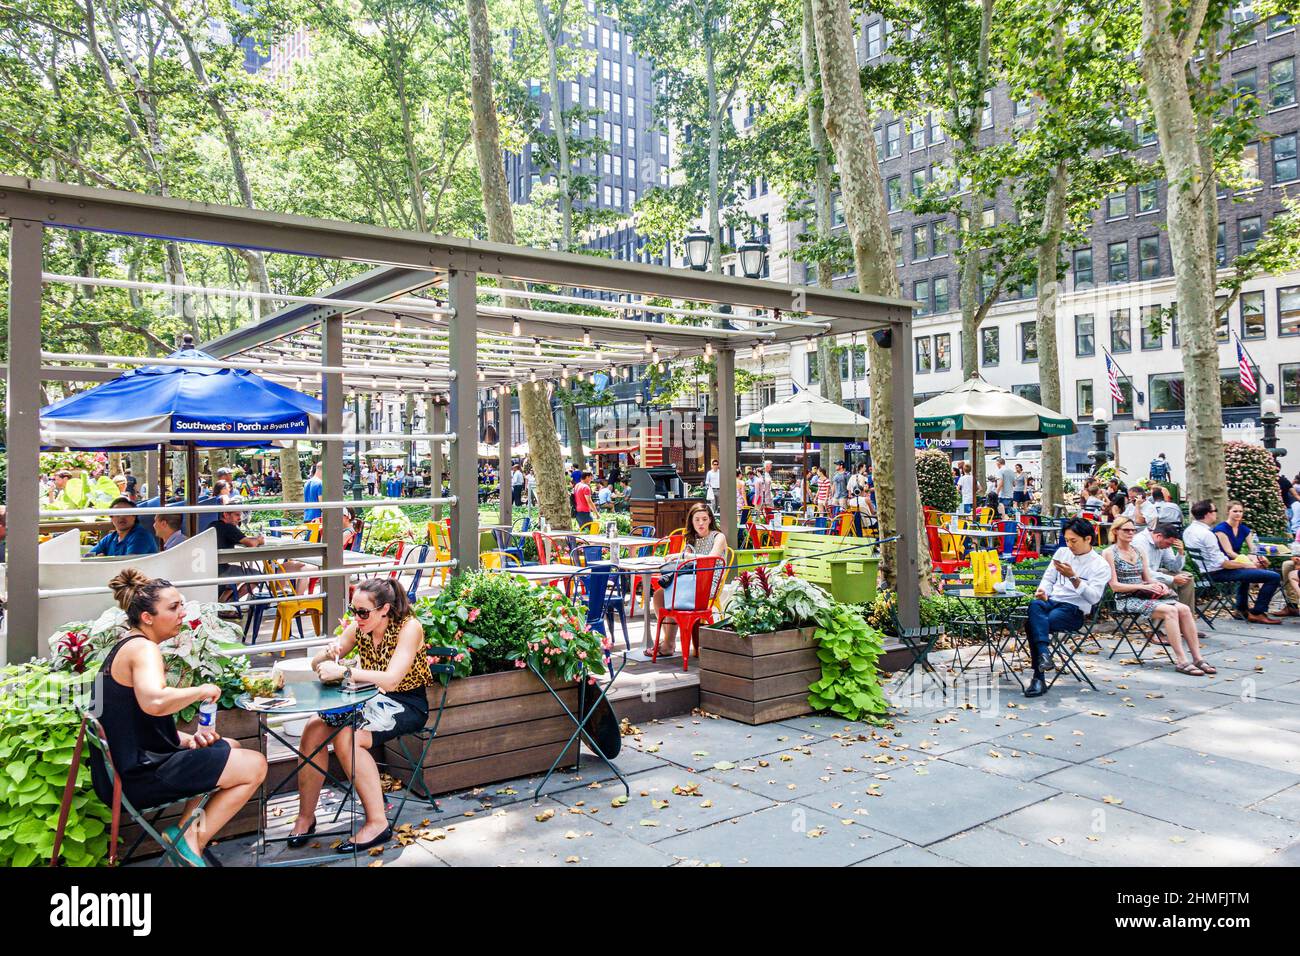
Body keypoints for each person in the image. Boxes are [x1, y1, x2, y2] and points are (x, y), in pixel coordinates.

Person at [91, 569, 267, 866]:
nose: (182, 613)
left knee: (230, 746)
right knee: (256, 765)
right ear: (147, 617)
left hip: (119, 773)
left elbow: (131, 721)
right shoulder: (143, 650)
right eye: (173, 608)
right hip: (137, 778)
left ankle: (186, 837)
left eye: (181, 605)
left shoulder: (127, 645)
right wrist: (200, 691)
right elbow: (155, 701)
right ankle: (190, 840)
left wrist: (187, 739)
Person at [288, 578, 433, 853]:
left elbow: (392, 680)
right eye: (353, 610)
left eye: (363, 612)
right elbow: (316, 663)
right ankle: (306, 817)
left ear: (384, 609)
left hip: (406, 702)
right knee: (313, 729)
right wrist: (327, 654)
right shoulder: (360, 627)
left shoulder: (408, 627)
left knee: (349, 738)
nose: (357, 617)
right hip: (370, 698)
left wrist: (345, 671)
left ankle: (377, 823)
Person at [1105, 517, 1213, 676]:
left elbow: (1148, 578)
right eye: (1126, 530)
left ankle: (1197, 658)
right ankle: (1182, 660)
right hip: (1126, 598)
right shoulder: (1109, 553)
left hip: (1145, 594)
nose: (1131, 533)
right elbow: (1115, 586)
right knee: (1171, 611)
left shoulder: (1138, 551)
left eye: (1133, 530)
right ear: (1115, 531)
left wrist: (1158, 585)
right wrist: (1143, 586)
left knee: (1184, 609)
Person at [1023, 517, 1112, 697]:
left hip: (1073, 610)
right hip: (1051, 601)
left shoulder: (1100, 565)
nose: (1069, 545)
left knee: (1032, 623)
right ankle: (1044, 655)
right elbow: (1048, 579)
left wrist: (1074, 578)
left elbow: (1094, 598)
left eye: (1074, 541)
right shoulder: (1062, 553)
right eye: (1067, 540)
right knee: (1035, 604)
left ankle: (1038, 677)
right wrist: (1043, 591)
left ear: (1088, 539)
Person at [1184, 499, 1282, 624]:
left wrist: (1248, 562)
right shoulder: (1208, 534)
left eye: (1241, 511)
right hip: (1218, 572)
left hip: (1206, 571)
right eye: (1215, 510)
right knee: (1274, 577)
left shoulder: (1189, 530)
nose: (1216, 513)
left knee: (1247, 574)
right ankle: (1257, 613)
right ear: (1208, 514)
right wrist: (1247, 565)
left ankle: (1241, 609)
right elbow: (1223, 563)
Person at [652, 503, 727, 658]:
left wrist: (685, 556)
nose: (701, 523)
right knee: (660, 595)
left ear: (710, 519)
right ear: (691, 521)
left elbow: (711, 559)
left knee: (673, 596)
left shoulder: (718, 537)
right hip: (690, 581)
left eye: (704, 519)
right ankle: (668, 640)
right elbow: (685, 564)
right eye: (697, 519)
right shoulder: (691, 538)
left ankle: (668, 644)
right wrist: (677, 557)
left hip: (708, 584)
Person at [1133, 522, 1196, 609]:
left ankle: (1186, 613)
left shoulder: (1163, 542)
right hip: (1139, 578)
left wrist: (1180, 553)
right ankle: (1171, 613)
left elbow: (1173, 568)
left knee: (1187, 577)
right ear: (1159, 536)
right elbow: (1143, 572)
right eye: (1168, 544)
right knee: (1168, 581)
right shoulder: (1140, 541)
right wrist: (1172, 579)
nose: (1169, 547)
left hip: (1154, 574)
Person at [87, 498, 160, 557]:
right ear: (111, 517)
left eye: (126, 513)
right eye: (117, 514)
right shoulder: (110, 538)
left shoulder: (141, 536)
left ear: (134, 516)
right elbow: (87, 556)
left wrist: (104, 559)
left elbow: (129, 564)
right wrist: (96, 557)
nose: (122, 517)